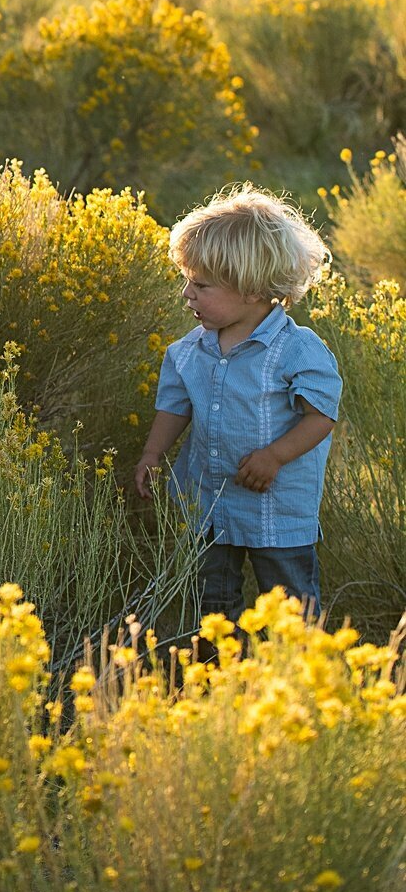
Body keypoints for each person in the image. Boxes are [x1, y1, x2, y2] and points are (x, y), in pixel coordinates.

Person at [133, 185, 340, 621]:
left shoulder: (296, 350)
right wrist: (153, 453)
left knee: (290, 611)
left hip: (277, 511)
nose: (187, 293)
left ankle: (300, 683)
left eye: (202, 285)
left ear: (251, 289)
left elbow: (320, 417)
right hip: (208, 503)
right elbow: (175, 407)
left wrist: (274, 456)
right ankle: (220, 678)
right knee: (212, 606)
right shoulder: (190, 350)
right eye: (187, 281)